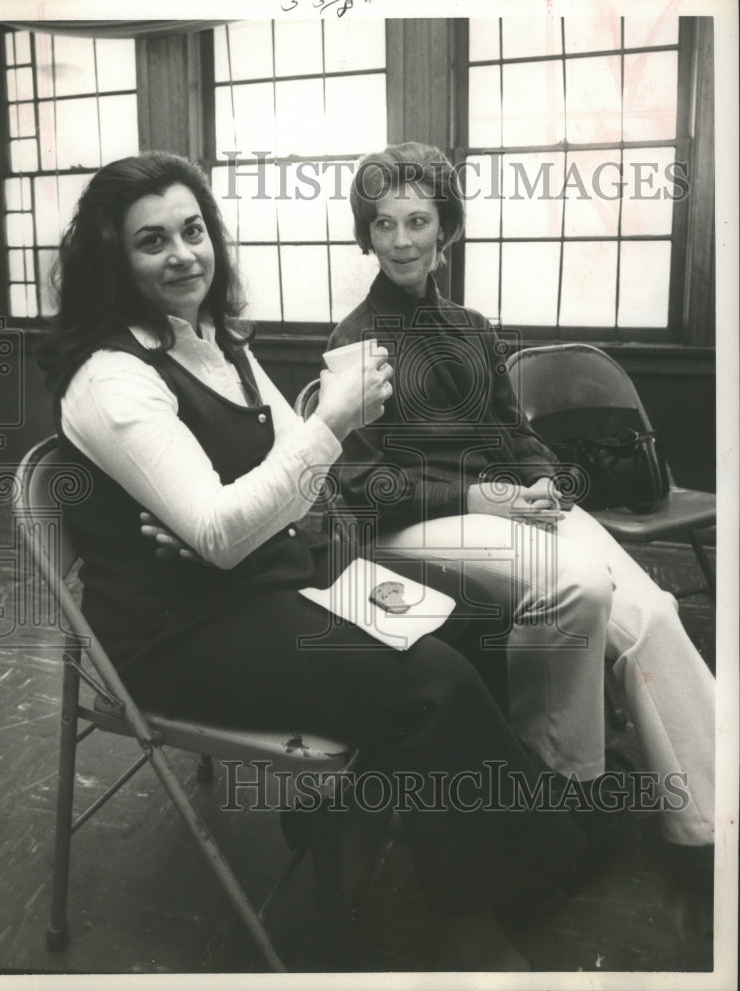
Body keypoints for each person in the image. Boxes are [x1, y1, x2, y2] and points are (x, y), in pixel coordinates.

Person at [39, 151, 588, 972]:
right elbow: (237, 516)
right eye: (151, 242)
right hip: (180, 629)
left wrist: (232, 508)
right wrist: (291, 461)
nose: (183, 254)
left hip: (266, 572)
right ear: (114, 261)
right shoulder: (112, 378)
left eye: (194, 231)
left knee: (473, 612)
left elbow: (261, 495)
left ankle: (359, 813)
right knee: (428, 685)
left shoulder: (213, 341)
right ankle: (473, 914)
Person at [325, 141, 715, 881]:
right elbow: (364, 485)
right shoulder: (353, 343)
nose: (402, 240)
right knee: (579, 587)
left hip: (510, 509)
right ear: (365, 235)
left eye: (418, 221)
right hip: (410, 528)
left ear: (447, 230)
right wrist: (482, 496)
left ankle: (706, 815)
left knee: (655, 611)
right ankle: (556, 790)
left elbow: (514, 434)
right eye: (383, 225)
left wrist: (545, 486)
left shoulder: (472, 327)